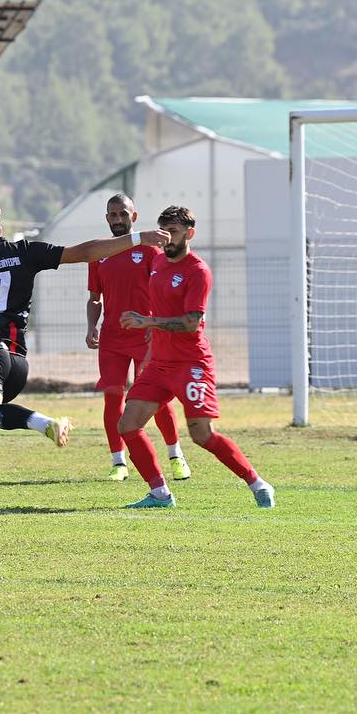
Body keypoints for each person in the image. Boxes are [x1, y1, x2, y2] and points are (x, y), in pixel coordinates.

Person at [0, 198, 171, 513]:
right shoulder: (24, 252)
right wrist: (139, 238)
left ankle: (42, 422)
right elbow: (84, 252)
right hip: (17, 364)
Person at [115, 205, 275, 509]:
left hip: (191, 365)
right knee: (128, 425)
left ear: (190, 233)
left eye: (173, 232)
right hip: (160, 365)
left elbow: (190, 323)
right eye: (163, 232)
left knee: (202, 435)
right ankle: (160, 494)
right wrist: (151, 342)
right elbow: (161, 309)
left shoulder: (197, 271)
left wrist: (147, 322)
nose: (166, 239)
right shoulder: (159, 263)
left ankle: (257, 483)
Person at [86, 193, 189, 482]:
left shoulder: (151, 251)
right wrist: (91, 326)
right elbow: (95, 299)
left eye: (123, 214)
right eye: (113, 215)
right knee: (112, 399)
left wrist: (158, 329)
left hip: (146, 339)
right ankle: (118, 462)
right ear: (107, 218)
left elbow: (164, 292)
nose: (118, 219)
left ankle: (175, 455)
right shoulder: (99, 254)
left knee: (155, 399)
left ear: (134, 217)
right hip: (111, 340)